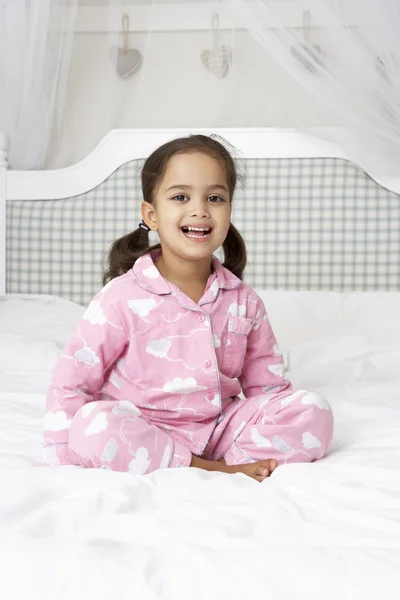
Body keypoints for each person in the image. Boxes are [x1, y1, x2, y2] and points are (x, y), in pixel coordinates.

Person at [43, 134, 334, 483]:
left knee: (314, 410)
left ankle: (227, 463)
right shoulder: (119, 298)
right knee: (91, 425)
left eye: (215, 198)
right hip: (143, 429)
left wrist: (276, 418)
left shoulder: (244, 301)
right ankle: (214, 471)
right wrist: (64, 452)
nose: (200, 210)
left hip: (220, 431)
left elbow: (267, 390)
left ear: (229, 210)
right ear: (150, 215)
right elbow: (71, 384)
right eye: (181, 197)